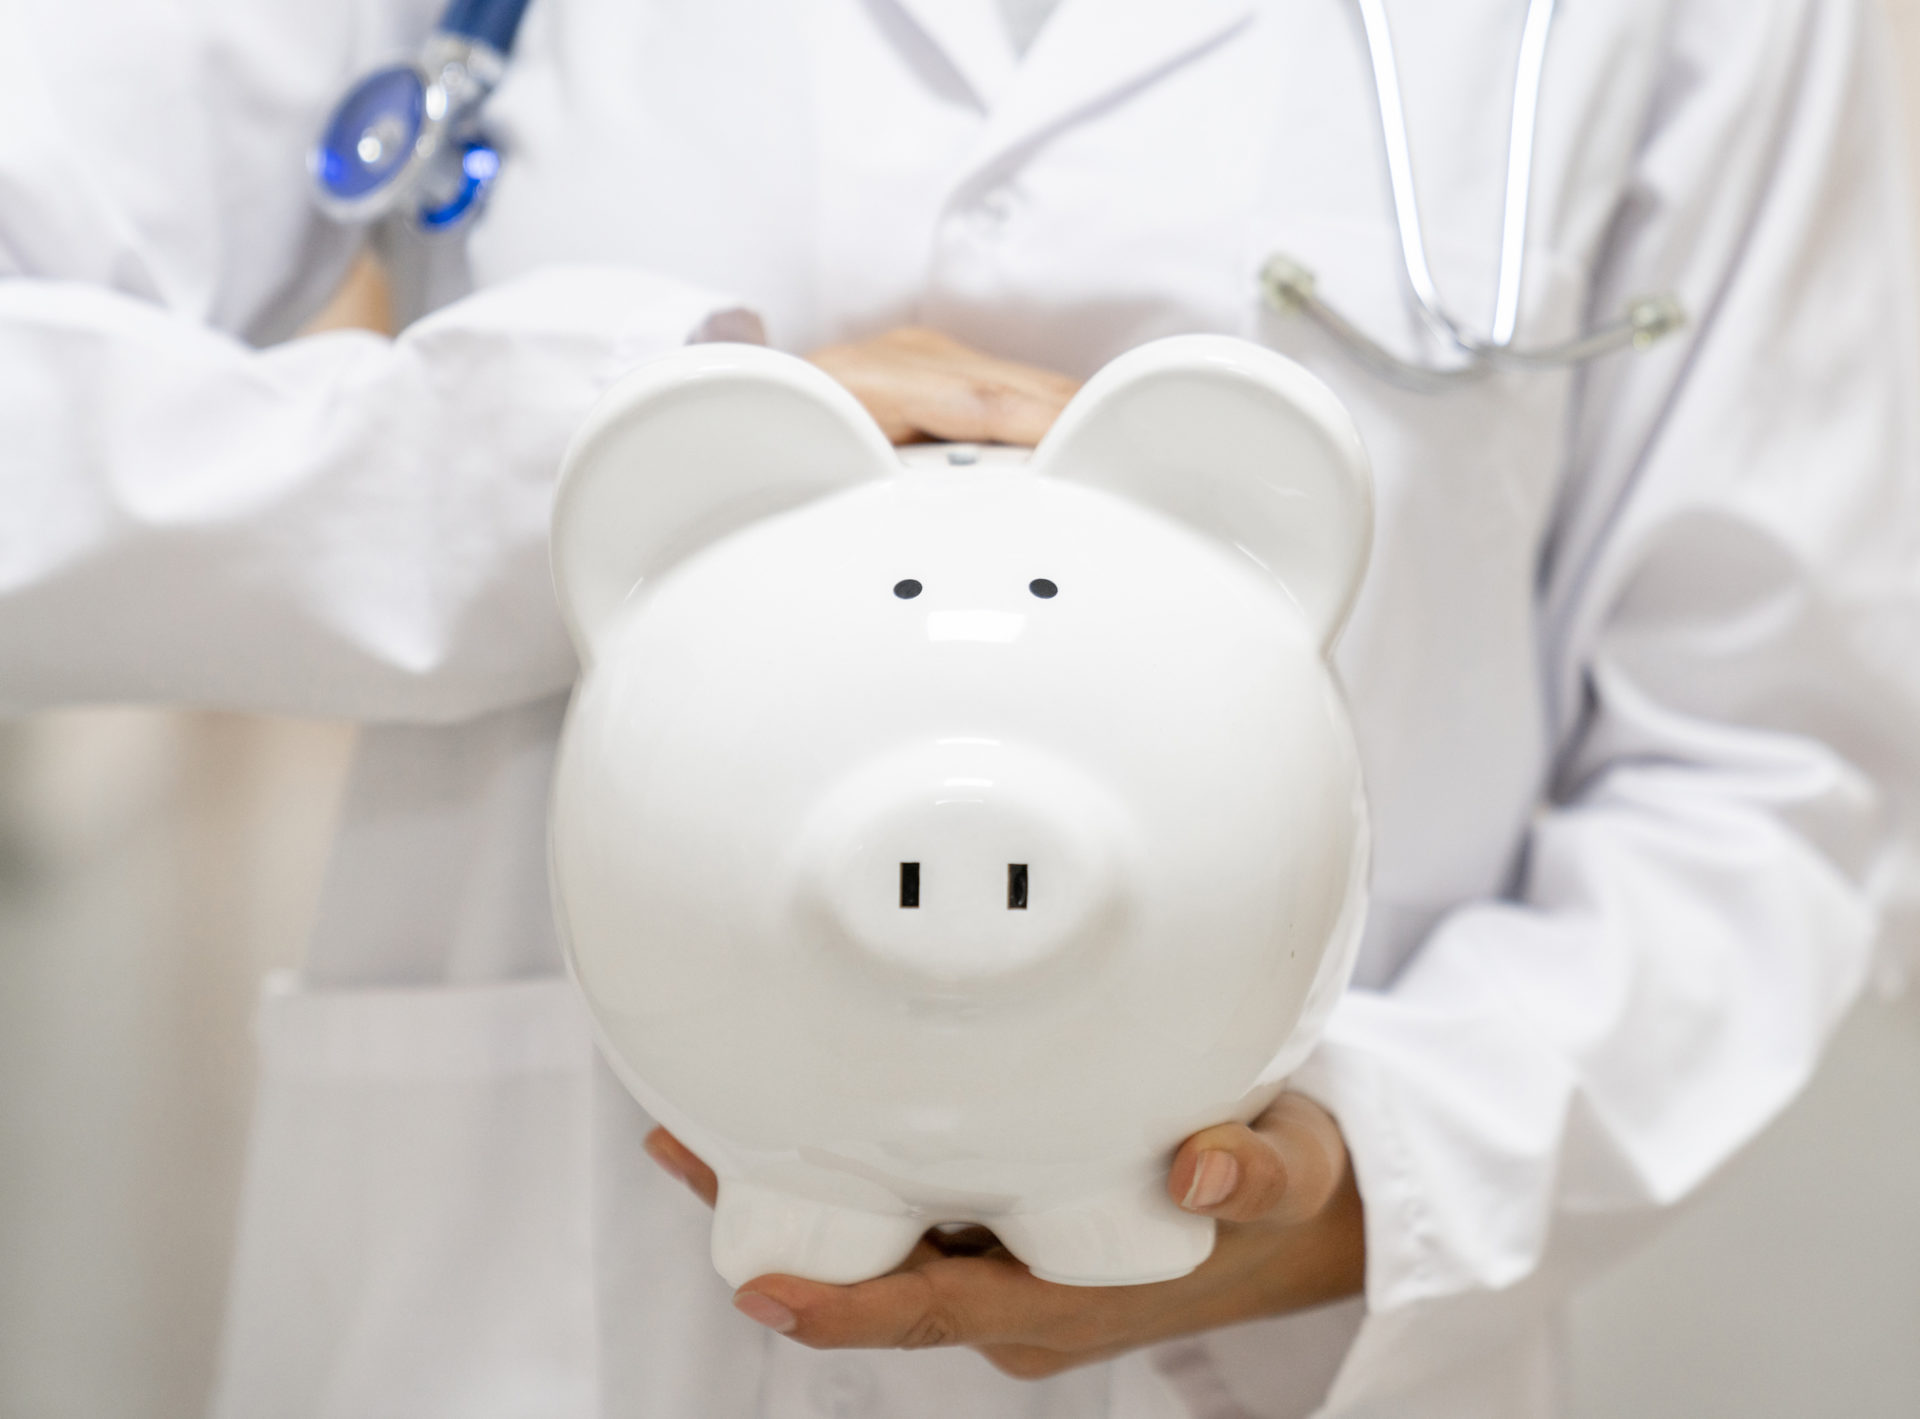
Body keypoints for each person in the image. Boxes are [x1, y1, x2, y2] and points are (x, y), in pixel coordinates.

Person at [3, 0, 1917, 1415]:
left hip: (1263, 1356)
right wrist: (542, 473)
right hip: (530, 1315)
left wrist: (1387, 1176)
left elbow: (1777, 762)